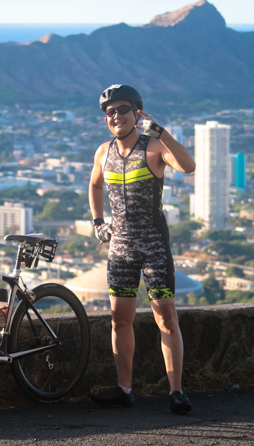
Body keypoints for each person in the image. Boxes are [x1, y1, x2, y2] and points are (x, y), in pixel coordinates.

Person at [87, 84, 196, 414]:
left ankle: (176, 391)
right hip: (119, 248)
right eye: (110, 112)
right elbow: (94, 184)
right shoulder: (103, 152)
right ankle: (124, 389)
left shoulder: (154, 147)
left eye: (122, 109)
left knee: (166, 318)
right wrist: (98, 222)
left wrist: (160, 131)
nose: (116, 116)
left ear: (138, 113)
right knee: (119, 320)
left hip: (153, 247)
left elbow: (188, 166)